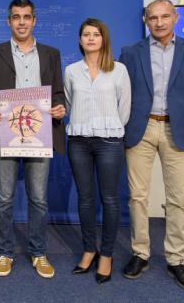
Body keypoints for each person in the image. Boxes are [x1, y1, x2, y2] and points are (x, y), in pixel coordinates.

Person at [119, 0, 184, 292]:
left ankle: (176, 259)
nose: (158, 23)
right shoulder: (130, 53)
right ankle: (140, 253)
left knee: (179, 198)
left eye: (164, 17)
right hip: (141, 128)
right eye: (152, 18)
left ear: (175, 18)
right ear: (146, 21)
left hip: (180, 130)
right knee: (137, 196)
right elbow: (120, 93)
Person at [0, 0, 66, 278]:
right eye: (16, 17)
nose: (21, 22)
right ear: (9, 21)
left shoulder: (51, 54)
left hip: (40, 135)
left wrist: (61, 107)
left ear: (34, 20)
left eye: (26, 16)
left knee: (38, 199)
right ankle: (5, 251)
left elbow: (59, 93)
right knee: (4, 198)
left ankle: (38, 252)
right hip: (6, 135)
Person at [64, 18, 131, 284]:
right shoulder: (71, 71)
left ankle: (107, 254)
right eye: (86, 34)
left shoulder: (119, 70)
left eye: (96, 34)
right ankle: (89, 249)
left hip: (109, 141)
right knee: (85, 199)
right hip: (78, 140)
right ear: (80, 40)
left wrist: (109, 127)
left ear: (104, 39)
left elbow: (124, 109)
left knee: (110, 199)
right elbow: (69, 103)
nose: (91, 38)